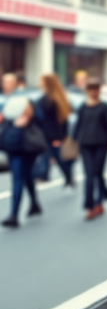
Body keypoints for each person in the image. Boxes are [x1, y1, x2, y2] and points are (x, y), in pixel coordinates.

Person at [72, 78, 107, 220]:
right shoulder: (82, 107)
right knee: (89, 175)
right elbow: (78, 125)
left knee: (98, 173)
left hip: (101, 143)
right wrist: (74, 140)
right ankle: (90, 206)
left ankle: (100, 197)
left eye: (95, 89)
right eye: (90, 89)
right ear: (87, 91)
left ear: (99, 91)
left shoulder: (104, 107)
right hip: (85, 144)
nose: (93, 92)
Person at [0, 97, 48, 228]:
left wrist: (29, 116)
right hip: (13, 148)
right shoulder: (10, 110)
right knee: (26, 177)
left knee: (18, 179)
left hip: (27, 149)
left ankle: (14, 215)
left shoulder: (32, 110)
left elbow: (42, 122)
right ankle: (34, 204)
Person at [35, 74, 75, 187]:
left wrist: (60, 138)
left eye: (41, 81)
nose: (39, 83)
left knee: (57, 158)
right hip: (51, 135)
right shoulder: (57, 98)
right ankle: (67, 177)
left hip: (50, 135)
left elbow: (61, 121)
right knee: (53, 157)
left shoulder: (49, 100)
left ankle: (46, 175)